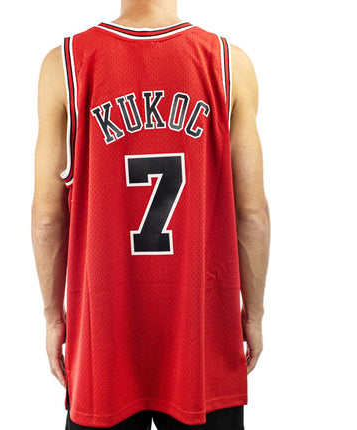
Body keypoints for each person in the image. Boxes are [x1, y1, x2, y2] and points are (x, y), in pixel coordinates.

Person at [31, 0, 270, 429]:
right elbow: (251, 214)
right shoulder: (229, 63)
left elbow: (48, 218)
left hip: (104, 335)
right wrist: (253, 314)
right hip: (202, 332)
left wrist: (53, 318)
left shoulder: (65, 64)